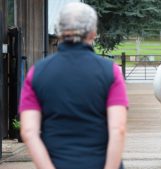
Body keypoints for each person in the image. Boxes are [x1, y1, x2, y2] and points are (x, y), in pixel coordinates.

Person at [19, 2, 128, 169]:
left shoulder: (37, 73)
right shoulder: (111, 72)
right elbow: (118, 129)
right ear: (93, 33)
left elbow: (28, 131)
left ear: (59, 32)